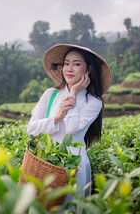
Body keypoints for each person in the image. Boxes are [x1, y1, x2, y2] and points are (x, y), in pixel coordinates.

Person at [27, 44, 112, 210]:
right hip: (46, 163)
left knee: (70, 209)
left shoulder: (93, 102)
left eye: (76, 64)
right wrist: (55, 118)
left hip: (75, 167)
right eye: (66, 63)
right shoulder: (50, 94)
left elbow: (72, 128)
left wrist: (73, 93)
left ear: (88, 69)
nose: (69, 69)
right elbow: (31, 129)